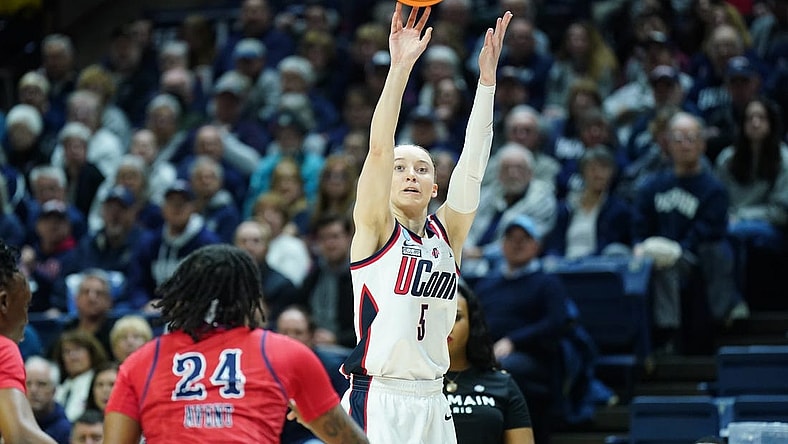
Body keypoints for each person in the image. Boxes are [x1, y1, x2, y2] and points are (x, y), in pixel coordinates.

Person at [341, 5, 511, 443]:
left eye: (422, 168)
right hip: (379, 397)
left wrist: (487, 85)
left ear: (436, 187)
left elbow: (473, 167)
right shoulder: (376, 226)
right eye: (401, 168)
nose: (410, 174)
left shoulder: (446, 234)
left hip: (435, 400)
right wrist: (399, 68)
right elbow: (379, 148)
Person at [103, 244, 368, 443]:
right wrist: (314, 422)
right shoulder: (285, 352)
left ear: (181, 295)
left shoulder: (141, 360)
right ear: (250, 296)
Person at [445, 282, 534, 444]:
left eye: (455, 317)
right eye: (436, 317)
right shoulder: (403, 381)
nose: (445, 325)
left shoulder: (502, 384)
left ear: (472, 324)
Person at [0, 240, 57, 443]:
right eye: (25, 307)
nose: (26, 320)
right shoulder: (4, 348)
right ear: (4, 302)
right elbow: (19, 436)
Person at [26, 356, 71, 444]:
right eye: (28, 384)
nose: (33, 390)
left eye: (41, 384)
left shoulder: (64, 429)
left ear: (54, 390)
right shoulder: (12, 417)